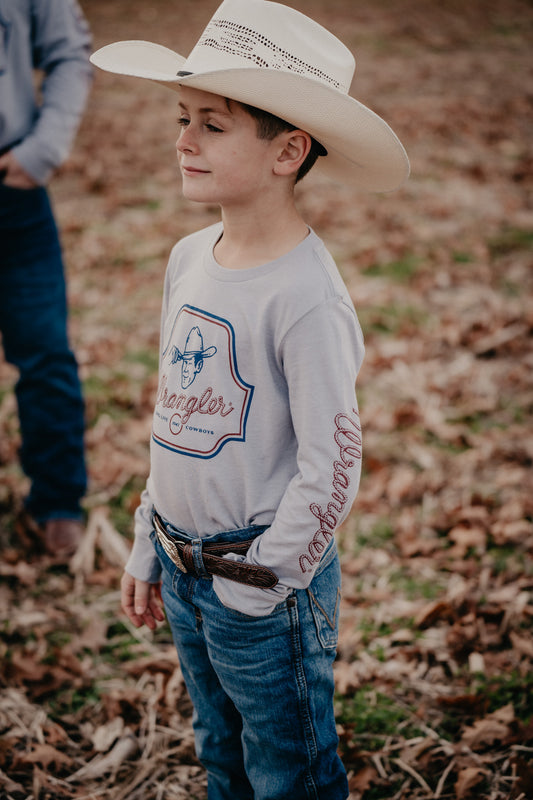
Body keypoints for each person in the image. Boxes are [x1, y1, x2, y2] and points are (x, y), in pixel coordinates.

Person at [91, 0, 409, 797]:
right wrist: (147, 537)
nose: (182, 140)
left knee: (287, 767)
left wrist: (263, 581)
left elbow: (333, 463)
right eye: (182, 116)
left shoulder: (304, 297)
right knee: (218, 749)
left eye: (212, 124)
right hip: (182, 558)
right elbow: (174, 415)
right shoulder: (189, 257)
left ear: (287, 151)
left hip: (261, 584)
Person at [0, 0, 92, 560]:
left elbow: (69, 53)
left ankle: (56, 503)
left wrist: (42, 151)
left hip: (12, 189)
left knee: (45, 353)